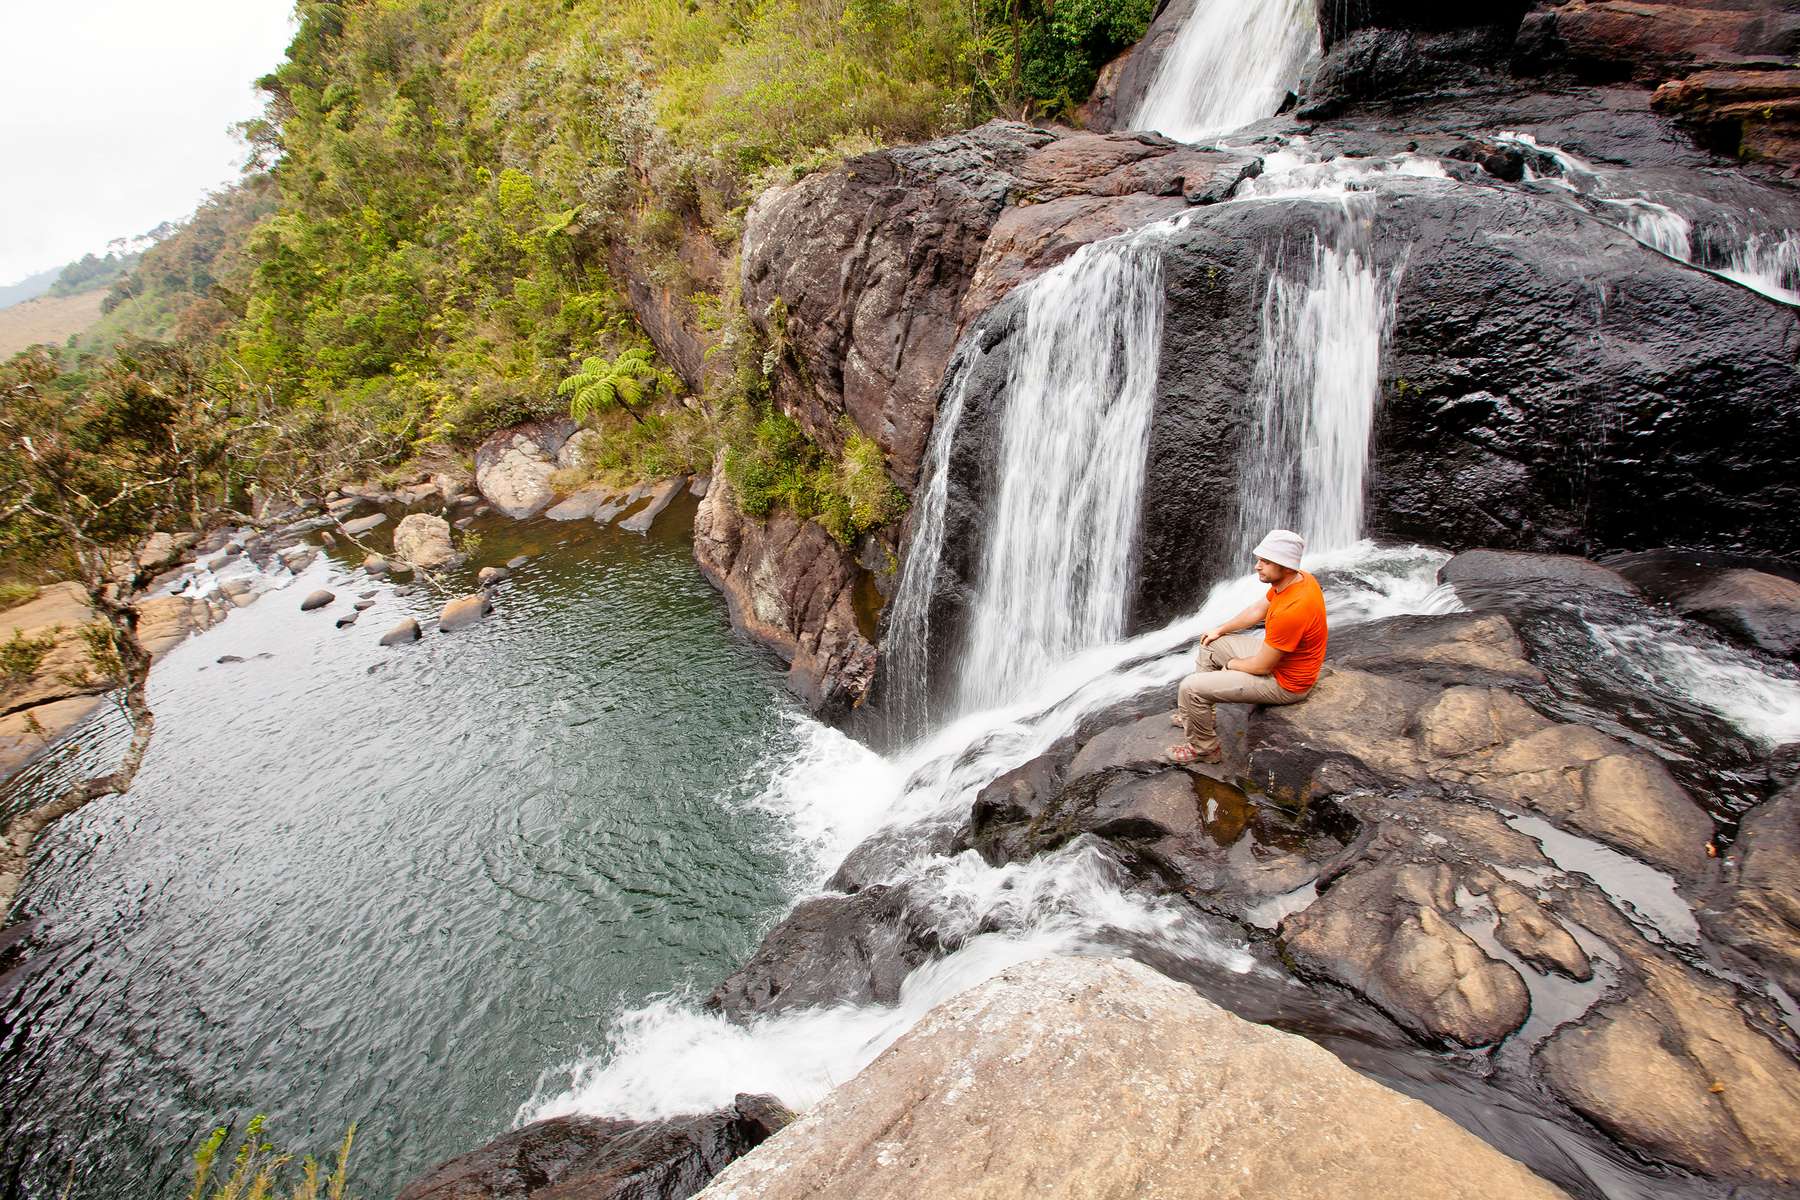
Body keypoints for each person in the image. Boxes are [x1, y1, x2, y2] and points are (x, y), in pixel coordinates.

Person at [1166, 528, 1328, 765]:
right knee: (1211, 644)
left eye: (1265, 561)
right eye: (1259, 559)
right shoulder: (1297, 579)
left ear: (1284, 566)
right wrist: (1221, 630)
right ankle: (1202, 717)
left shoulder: (1293, 610)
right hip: (1280, 663)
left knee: (1189, 688)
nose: (1257, 566)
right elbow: (1257, 610)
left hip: (1287, 683)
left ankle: (1204, 749)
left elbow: (1263, 667)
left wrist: (1231, 665)